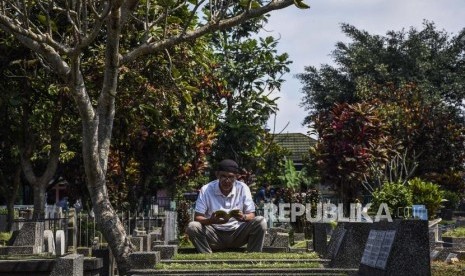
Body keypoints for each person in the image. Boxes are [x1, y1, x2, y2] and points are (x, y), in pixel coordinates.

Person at [186, 159, 267, 253]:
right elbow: (198, 217)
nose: (227, 180)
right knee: (192, 226)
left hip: (238, 234)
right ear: (217, 175)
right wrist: (211, 220)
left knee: (261, 221)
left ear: (236, 177)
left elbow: (251, 214)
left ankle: (254, 256)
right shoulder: (206, 189)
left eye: (231, 177)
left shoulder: (243, 188)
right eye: (223, 176)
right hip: (214, 234)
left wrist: (243, 217)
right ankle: (206, 256)